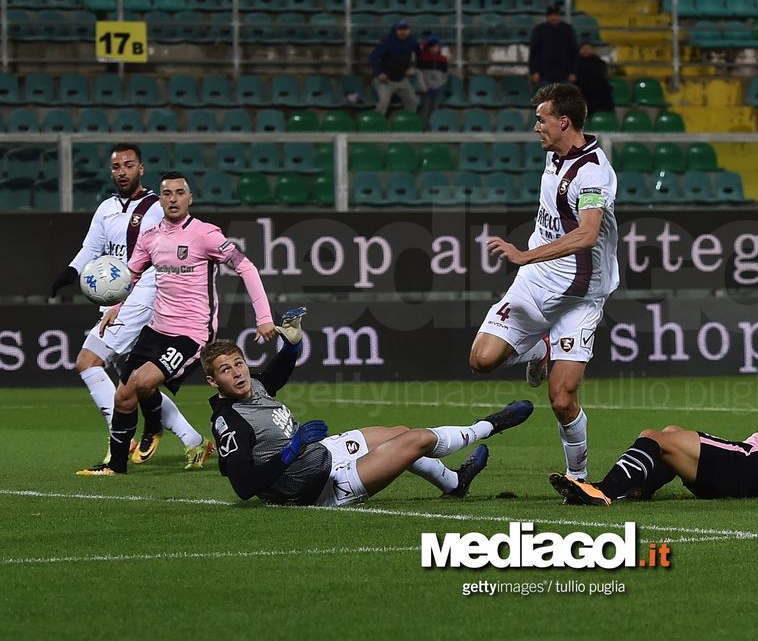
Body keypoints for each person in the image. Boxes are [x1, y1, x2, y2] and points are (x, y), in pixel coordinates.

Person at [206, 308, 535, 506]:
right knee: (416, 440)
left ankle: (454, 483)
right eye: (225, 370)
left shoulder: (254, 386)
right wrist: (290, 451)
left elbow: (274, 374)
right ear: (212, 381)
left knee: (400, 432)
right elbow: (244, 486)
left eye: (239, 363)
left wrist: (292, 346)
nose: (237, 373)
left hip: (321, 454)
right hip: (315, 487)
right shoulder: (230, 422)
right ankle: (489, 425)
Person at [77, 171, 277, 476]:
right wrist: (115, 307)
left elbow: (245, 267)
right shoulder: (150, 237)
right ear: (160, 199)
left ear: (190, 198)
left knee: (143, 382)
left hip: (191, 333)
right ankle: (115, 467)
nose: (173, 199)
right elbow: (130, 275)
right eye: (167, 193)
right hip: (156, 329)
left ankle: (153, 426)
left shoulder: (205, 234)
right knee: (123, 396)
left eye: (179, 193)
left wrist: (263, 317)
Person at [469, 83, 619, 482]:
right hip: (535, 282)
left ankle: (578, 478)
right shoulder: (555, 156)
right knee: (481, 360)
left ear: (563, 121)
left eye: (541, 119)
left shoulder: (593, 173)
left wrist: (524, 255)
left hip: (581, 296)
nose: (536, 127)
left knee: (562, 399)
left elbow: (588, 233)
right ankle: (539, 349)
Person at [549, 331, 758, 505]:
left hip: (749, 467)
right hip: (749, 476)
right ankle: (636, 491)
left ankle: (603, 491)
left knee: (653, 436)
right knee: (671, 431)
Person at [51, 144, 210, 472]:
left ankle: (118, 441)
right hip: (115, 300)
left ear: (141, 169)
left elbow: (166, 254)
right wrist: (70, 272)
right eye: (116, 166)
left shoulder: (156, 207)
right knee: (137, 381)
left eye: (129, 165)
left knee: (87, 362)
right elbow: (92, 247)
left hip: (143, 297)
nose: (122, 171)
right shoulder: (106, 208)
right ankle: (193, 440)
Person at [354, 19, 420, 116]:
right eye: (400, 30)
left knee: (413, 101)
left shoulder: (412, 41)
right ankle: (376, 123)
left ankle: (409, 122)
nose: (403, 32)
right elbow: (373, 57)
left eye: (405, 29)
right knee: (384, 102)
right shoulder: (387, 41)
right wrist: (379, 72)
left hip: (401, 79)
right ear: (395, 30)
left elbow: (419, 54)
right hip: (385, 80)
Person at [528, 6, 578, 87]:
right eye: (551, 15)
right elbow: (534, 52)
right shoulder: (539, 29)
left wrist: (573, 72)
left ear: (559, 16)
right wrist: (534, 71)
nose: (553, 17)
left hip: (564, 74)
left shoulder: (568, 29)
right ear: (547, 17)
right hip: (544, 74)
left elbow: (573, 51)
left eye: (556, 15)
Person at [417, 35, 448, 129]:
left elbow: (445, 74)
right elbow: (419, 73)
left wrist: (440, 84)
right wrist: (423, 86)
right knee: (425, 109)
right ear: (429, 47)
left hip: (437, 88)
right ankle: (424, 128)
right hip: (426, 88)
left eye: (437, 46)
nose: (436, 49)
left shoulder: (443, 59)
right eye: (433, 46)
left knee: (435, 108)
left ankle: (433, 127)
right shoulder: (422, 58)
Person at [573, 43, 614, 115]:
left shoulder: (600, 63)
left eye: (588, 48)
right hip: (582, 92)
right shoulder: (575, 63)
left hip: (598, 92)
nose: (586, 51)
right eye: (583, 49)